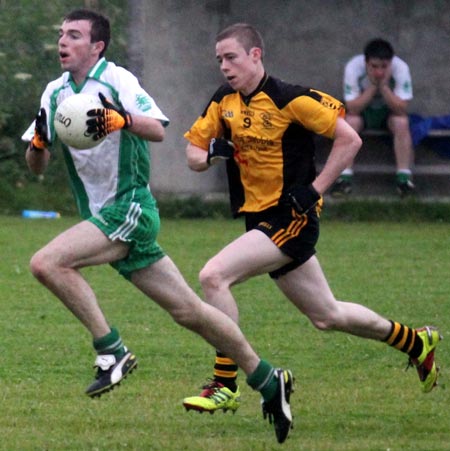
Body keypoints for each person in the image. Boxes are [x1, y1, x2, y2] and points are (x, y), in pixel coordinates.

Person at [24, 10, 294, 444]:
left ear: (97, 47)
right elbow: (36, 166)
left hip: (129, 208)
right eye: (61, 34)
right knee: (189, 311)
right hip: (103, 217)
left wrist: (120, 120)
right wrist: (38, 144)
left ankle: (112, 352)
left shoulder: (117, 80)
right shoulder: (55, 93)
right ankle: (267, 378)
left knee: (47, 263)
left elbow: (158, 130)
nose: (62, 41)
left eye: (73, 35)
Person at [183, 22, 441, 422]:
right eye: (219, 60)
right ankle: (415, 341)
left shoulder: (290, 98)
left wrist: (315, 189)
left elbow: (349, 140)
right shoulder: (225, 101)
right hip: (259, 220)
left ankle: (225, 384)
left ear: (255, 55)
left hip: (292, 217)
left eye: (231, 57)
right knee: (327, 316)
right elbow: (192, 156)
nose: (224, 67)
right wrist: (213, 150)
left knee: (214, 276)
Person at [331, 38, 415, 197]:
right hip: (363, 112)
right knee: (350, 122)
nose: (379, 72)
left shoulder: (401, 68)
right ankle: (344, 179)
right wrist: (373, 86)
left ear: (391, 63)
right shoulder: (354, 67)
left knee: (402, 122)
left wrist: (383, 86)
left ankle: (404, 180)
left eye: (384, 67)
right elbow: (353, 108)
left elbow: (402, 109)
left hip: (388, 112)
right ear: (366, 63)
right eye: (374, 66)